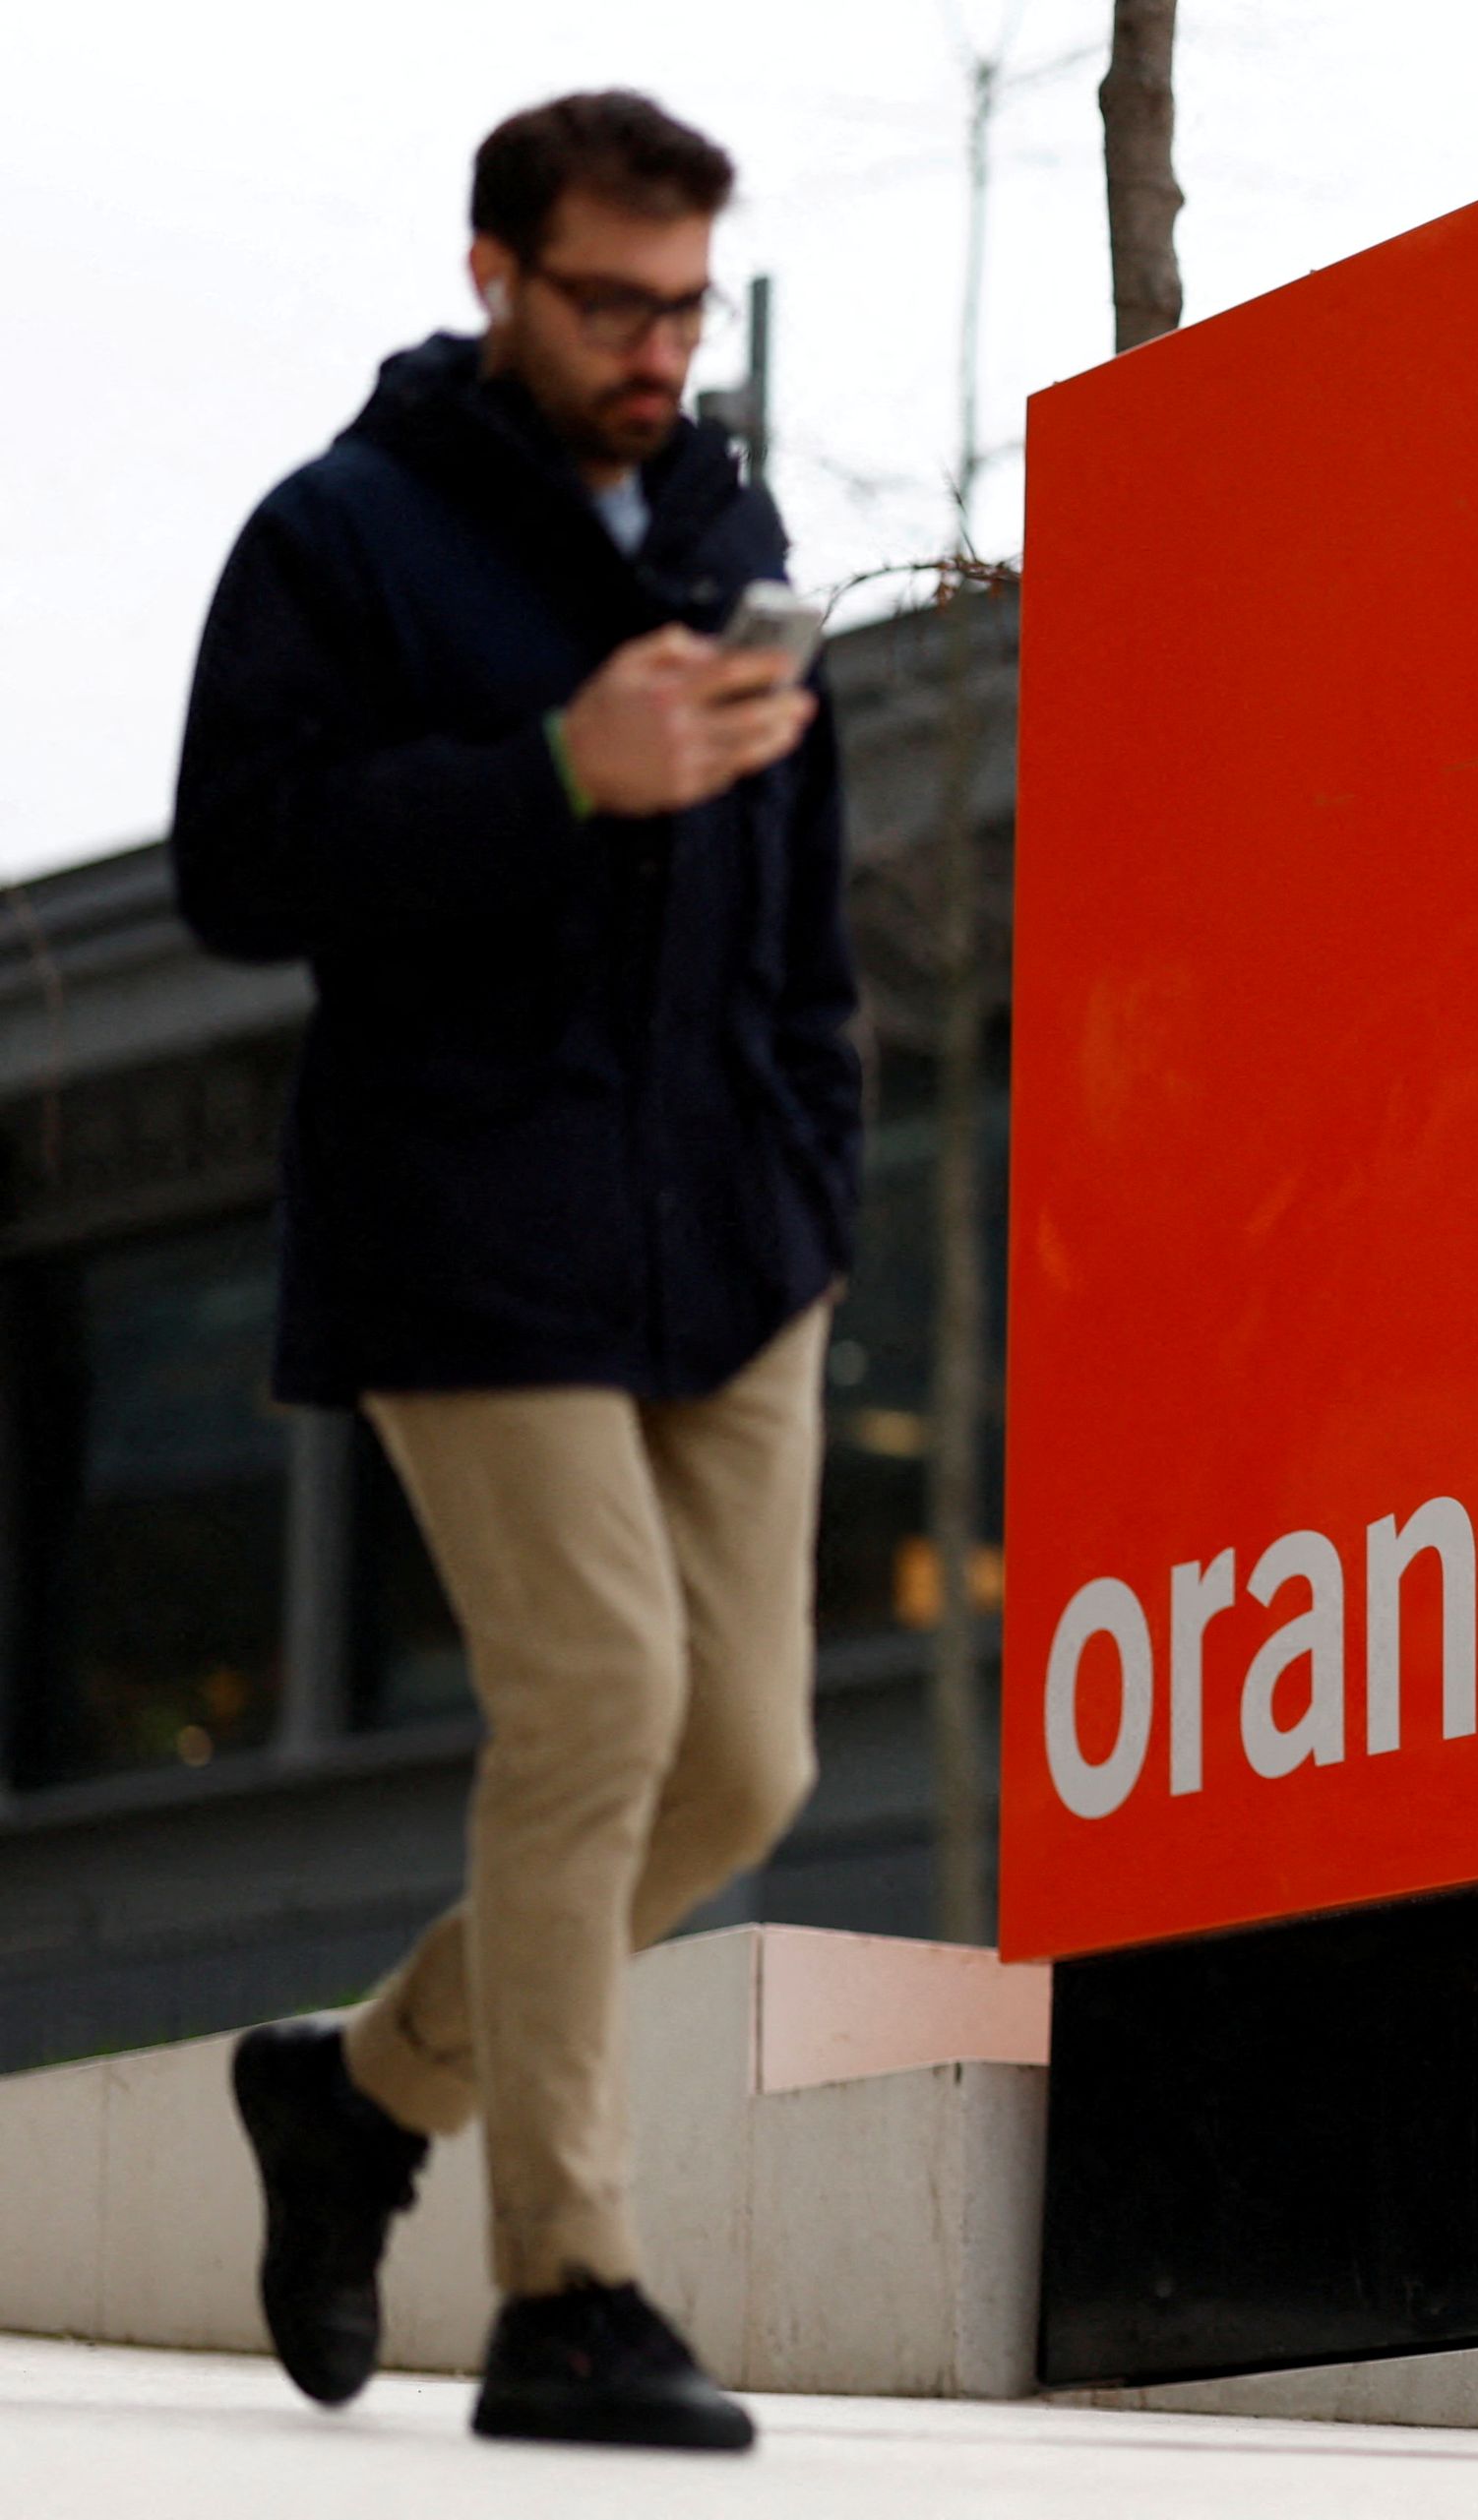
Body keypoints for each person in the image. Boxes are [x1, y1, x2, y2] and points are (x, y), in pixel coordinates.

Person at [169, 92, 859, 2454]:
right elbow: (239, 868)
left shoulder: (733, 527)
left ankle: (360, 2099)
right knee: (601, 1714)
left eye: (683, 304)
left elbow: (806, 904)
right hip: (470, 1226)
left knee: (744, 1759)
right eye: (609, 303)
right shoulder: (345, 538)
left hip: (735, 1242)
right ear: (495, 274)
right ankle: (568, 2290)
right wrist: (554, 771)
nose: (659, 348)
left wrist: (818, 1165)